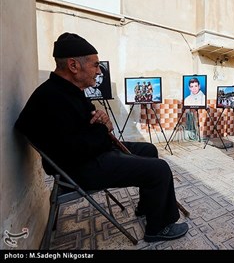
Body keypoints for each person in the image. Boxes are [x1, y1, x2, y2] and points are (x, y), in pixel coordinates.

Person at [15, 32, 188, 242]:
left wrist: (102, 121)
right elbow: (74, 146)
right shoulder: (51, 96)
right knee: (159, 169)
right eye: (95, 65)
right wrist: (102, 129)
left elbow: (87, 127)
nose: (99, 71)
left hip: (91, 153)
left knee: (149, 150)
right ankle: (158, 228)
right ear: (73, 65)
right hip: (79, 168)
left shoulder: (69, 90)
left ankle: (149, 206)